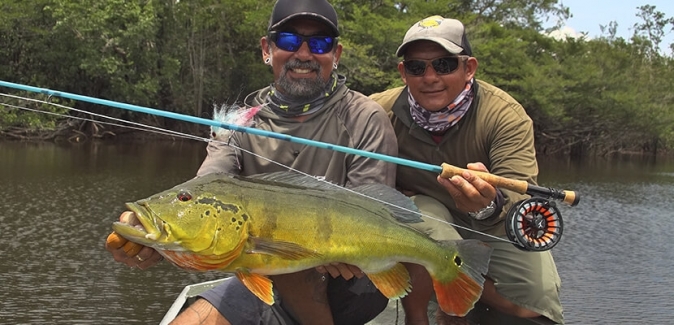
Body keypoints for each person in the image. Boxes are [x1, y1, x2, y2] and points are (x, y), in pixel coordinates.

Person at [105, 0, 399, 324]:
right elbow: (206, 189)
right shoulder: (238, 120)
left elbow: (372, 212)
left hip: (350, 282)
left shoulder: (365, 118)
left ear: (336, 54)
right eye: (288, 40)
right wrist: (149, 231)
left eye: (319, 43)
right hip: (265, 267)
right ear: (266, 49)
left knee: (283, 256)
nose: (303, 54)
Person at [370, 16, 564, 324]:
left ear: (469, 68)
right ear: (403, 73)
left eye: (444, 65)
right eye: (417, 67)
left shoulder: (505, 116)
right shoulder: (376, 111)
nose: (429, 77)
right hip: (424, 219)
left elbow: (519, 200)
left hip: (494, 222)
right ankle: (442, 308)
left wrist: (486, 207)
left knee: (534, 301)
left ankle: (472, 297)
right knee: (426, 217)